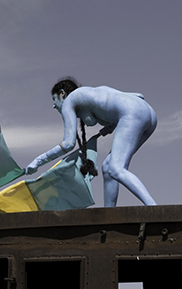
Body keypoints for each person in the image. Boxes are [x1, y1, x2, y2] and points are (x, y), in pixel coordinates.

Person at [26, 78, 157, 207]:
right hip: (149, 114)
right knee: (107, 167)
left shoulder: (69, 101)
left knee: (116, 169)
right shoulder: (94, 92)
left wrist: (38, 161)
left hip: (132, 114)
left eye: (54, 99)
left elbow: (68, 144)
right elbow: (137, 96)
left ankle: (153, 207)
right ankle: (109, 215)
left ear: (62, 93)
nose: (54, 105)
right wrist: (111, 126)